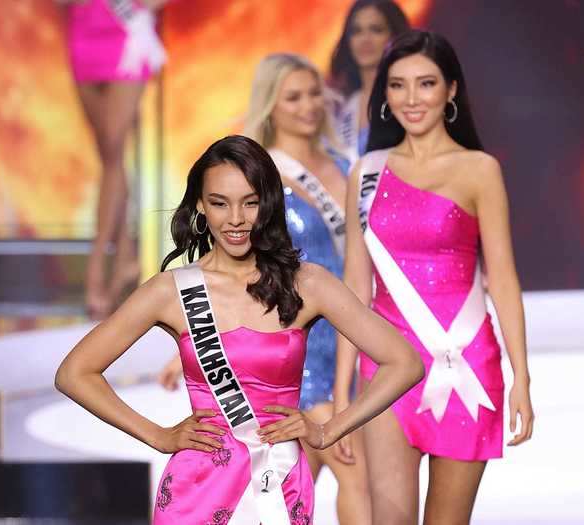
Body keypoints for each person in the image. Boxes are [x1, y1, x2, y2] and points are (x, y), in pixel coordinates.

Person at [56, 135, 423, 523]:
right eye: (219, 203)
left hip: (278, 483)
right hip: (195, 490)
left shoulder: (306, 284)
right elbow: (74, 373)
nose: (235, 219)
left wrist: (326, 431)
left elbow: (404, 363)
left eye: (250, 202)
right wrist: (159, 436)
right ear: (200, 204)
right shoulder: (171, 291)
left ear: (267, 204)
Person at [335, 30, 534, 524]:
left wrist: (521, 378)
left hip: (466, 363)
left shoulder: (479, 170)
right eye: (397, 85)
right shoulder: (367, 173)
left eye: (426, 84)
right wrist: (342, 393)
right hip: (387, 365)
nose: (411, 98)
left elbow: (503, 280)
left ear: (450, 91)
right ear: (384, 95)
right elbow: (355, 290)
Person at [243, 53, 370, 524]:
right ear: (270, 105)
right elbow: (239, 263)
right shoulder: (261, 175)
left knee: (297, 483)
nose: (308, 106)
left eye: (314, 93)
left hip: (358, 335)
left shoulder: (345, 164)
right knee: (355, 472)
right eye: (292, 96)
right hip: (303, 341)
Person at [58, 0, 167, 318]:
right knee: (109, 155)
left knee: (113, 144)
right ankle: (125, 257)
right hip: (82, 32)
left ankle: (97, 266)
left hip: (127, 37)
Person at [328, 0, 409, 159]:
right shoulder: (338, 106)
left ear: (394, 36)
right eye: (356, 31)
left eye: (376, 30)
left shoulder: (410, 99)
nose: (365, 39)